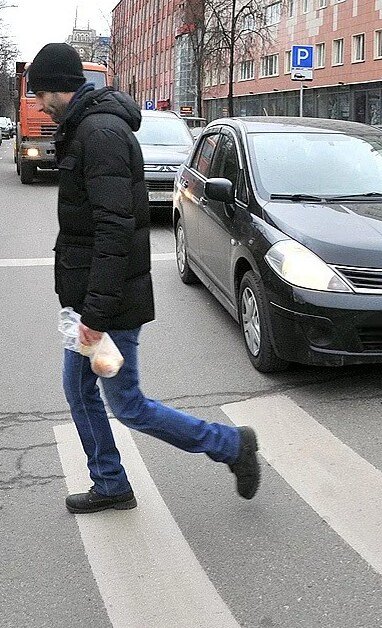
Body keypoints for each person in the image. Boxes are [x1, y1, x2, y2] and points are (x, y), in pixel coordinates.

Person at [29, 43, 261, 514]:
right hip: (89, 301)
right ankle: (111, 482)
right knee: (78, 391)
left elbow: (115, 231)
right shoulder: (86, 130)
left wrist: (94, 314)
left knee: (128, 404)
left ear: (57, 87)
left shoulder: (101, 135)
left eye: (37, 93)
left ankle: (231, 445)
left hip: (106, 307)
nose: (35, 104)